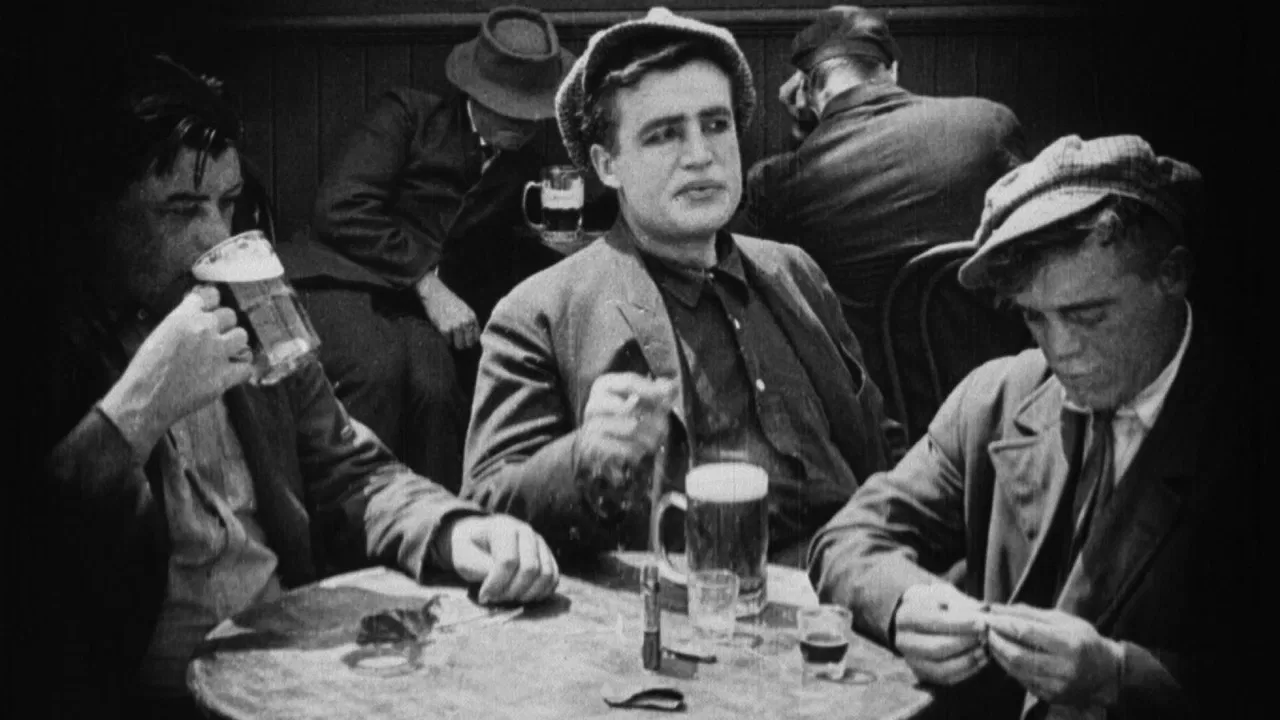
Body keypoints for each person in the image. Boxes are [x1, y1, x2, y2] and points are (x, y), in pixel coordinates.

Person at [43, 52, 559, 719]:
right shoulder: (50, 339)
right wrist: (144, 403)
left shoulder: (249, 301)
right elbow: (37, 545)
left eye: (227, 203)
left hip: (280, 670)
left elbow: (348, 468)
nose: (215, 238)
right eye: (180, 209)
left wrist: (453, 530)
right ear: (96, 214)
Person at [807, 135, 1260, 718]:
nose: (1060, 349)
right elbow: (846, 540)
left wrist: (1118, 676)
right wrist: (905, 603)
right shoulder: (999, 396)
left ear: (1172, 275)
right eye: (1034, 317)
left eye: (1088, 314)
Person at [460, 8, 890, 564]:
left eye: (716, 125)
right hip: (682, 599)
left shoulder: (795, 273)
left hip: (848, 582)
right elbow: (485, 511)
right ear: (607, 165)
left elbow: (880, 445)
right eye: (664, 134)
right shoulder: (540, 313)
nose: (700, 155)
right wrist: (583, 458)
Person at [279, 6, 616, 491]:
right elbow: (340, 208)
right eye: (510, 107)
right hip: (340, 279)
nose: (525, 123)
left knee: (438, 390)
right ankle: (351, 523)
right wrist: (426, 283)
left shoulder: (523, 167)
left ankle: (444, 525)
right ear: (476, 93)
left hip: (415, 314)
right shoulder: (409, 116)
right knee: (377, 371)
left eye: (533, 110)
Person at [736, 5, 1025, 406]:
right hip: (1011, 391)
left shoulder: (778, 183)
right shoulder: (986, 126)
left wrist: (803, 130)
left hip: (883, 417)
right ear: (892, 70)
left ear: (806, 89)